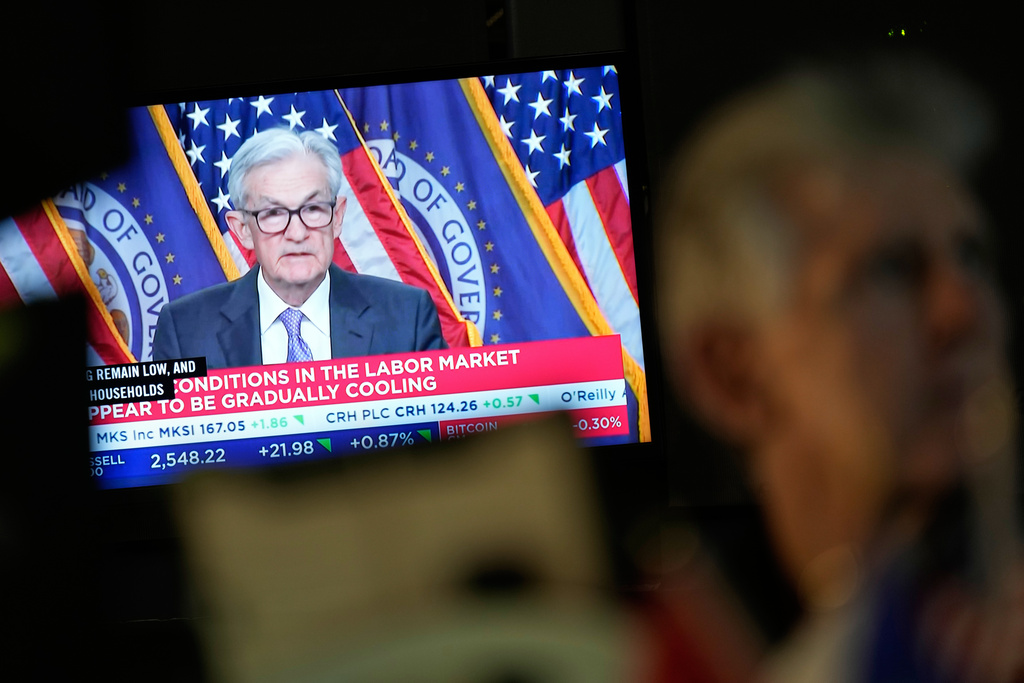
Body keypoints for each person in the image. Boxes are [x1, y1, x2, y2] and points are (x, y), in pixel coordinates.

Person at [655, 57, 1022, 682]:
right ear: (733, 375)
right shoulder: (647, 657)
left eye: (972, 258)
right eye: (891, 269)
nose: (964, 314)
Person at [153, 128, 447, 369]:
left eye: (314, 208)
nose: (297, 233)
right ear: (242, 229)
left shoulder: (407, 317)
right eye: (273, 213)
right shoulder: (185, 330)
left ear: (337, 217)